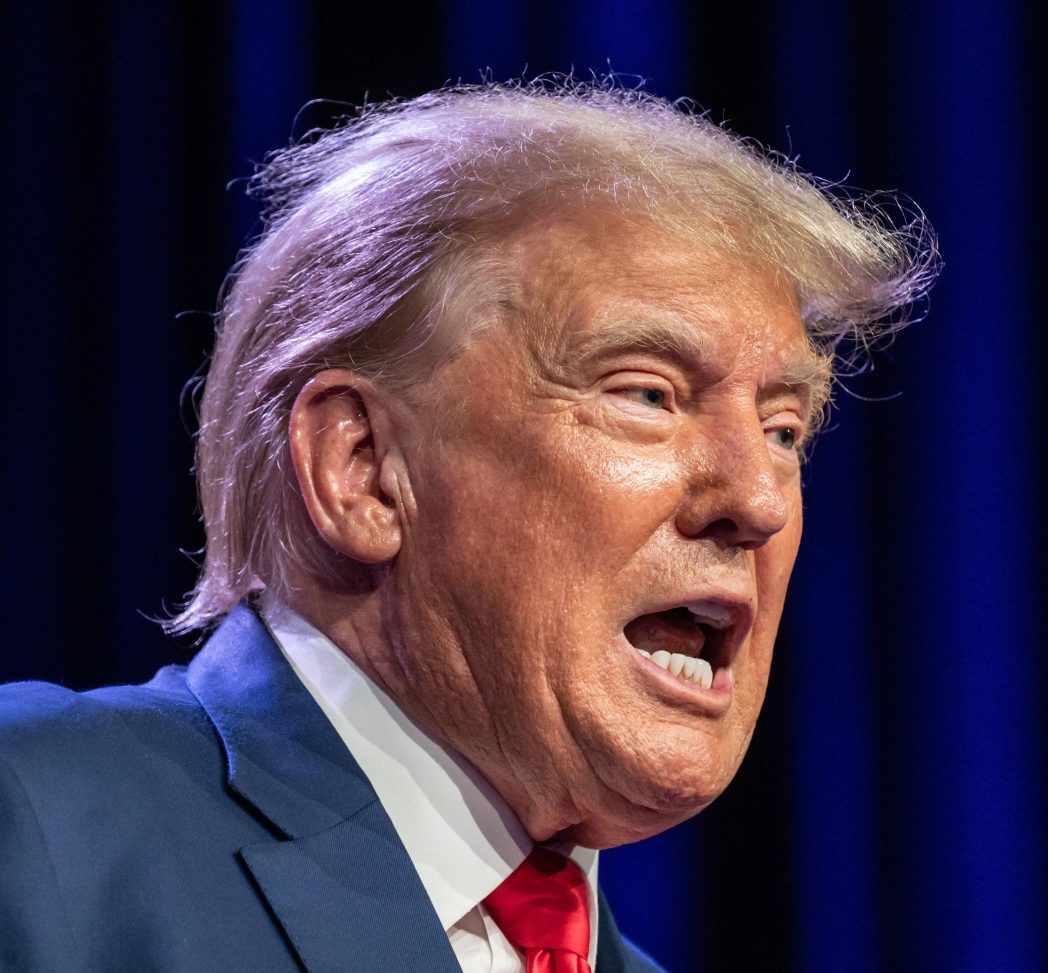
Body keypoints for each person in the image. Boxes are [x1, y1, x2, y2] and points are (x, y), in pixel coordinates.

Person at [0, 82, 935, 972]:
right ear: (363, 469)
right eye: (647, 393)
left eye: (783, 429)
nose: (759, 501)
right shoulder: (37, 821)